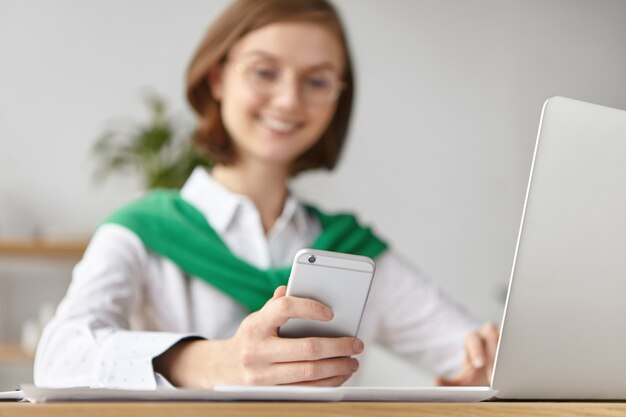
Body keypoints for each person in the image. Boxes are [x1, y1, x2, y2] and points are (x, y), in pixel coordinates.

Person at [34, 0, 498, 389]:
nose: (289, 100)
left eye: (317, 81)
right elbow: (58, 359)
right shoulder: (141, 231)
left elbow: (471, 354)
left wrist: (484, 366)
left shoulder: (350, 250)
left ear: (337, 98)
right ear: (217, 78)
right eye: (264, 72)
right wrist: (216, 362)